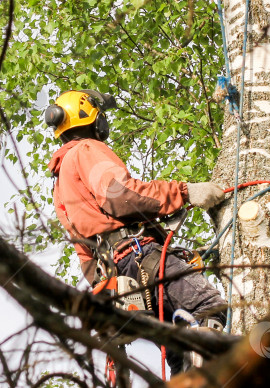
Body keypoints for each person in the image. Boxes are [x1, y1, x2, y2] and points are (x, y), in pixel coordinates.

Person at [44, 89, 228, 373]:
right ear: (91, 118)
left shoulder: (60, 185)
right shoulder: (86, 150)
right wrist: (185, 192)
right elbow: (119, 195)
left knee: (178, 348)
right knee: (209, 308)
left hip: (120, 278)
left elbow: (85, 255)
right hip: (139, 259)